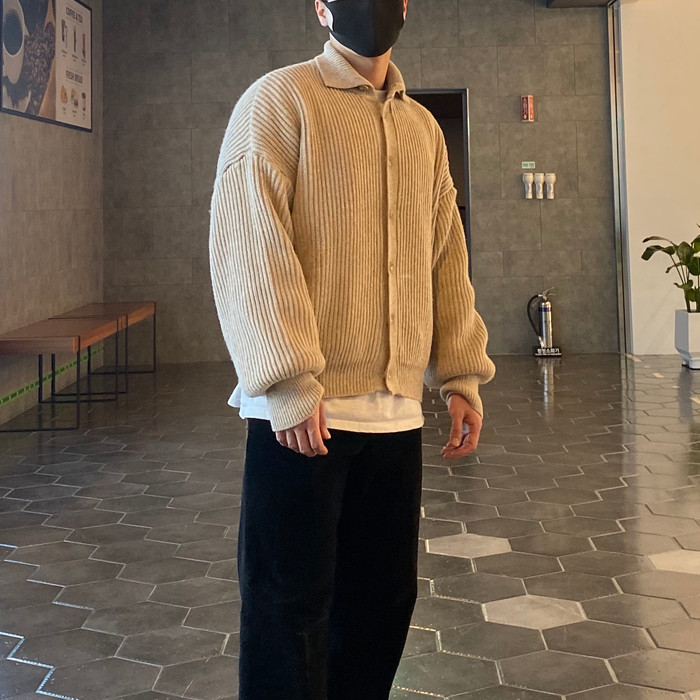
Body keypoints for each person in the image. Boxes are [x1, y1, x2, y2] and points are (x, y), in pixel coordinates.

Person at [208, 0, 496, 697]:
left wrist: (460, 373)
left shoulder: (422, 129)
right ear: (320, 6)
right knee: (287, 612)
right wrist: (288, 383)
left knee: (380, 609)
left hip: (395, 417)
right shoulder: (279, 100)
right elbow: (250, 244)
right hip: (302, 417)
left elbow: (445, 256)